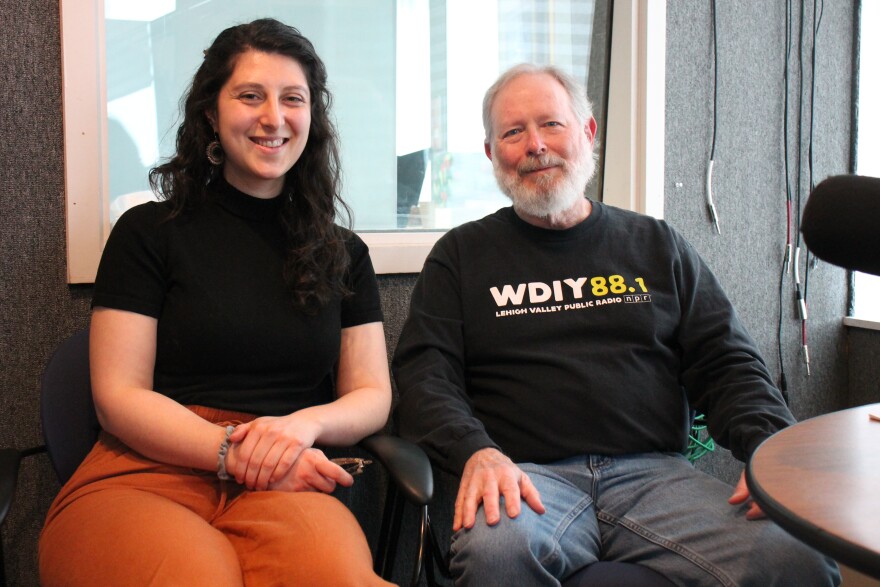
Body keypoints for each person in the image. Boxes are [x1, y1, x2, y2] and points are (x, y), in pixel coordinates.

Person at [392, 63, 840, 587]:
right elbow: (425, 377)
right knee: (496, 556)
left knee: (798, 557)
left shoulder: (656, 246)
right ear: (493, 154)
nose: (535, 144)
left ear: (588, 132)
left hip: (656, 477)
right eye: (513, 132)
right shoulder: (461, 257)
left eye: (552, 124)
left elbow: (727, 362)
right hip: (528, 482)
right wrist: (477, 452)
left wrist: (769, 448)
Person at [39, 19, 394, 586]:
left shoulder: (342, 251)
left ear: (312, 119)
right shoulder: (149, 232)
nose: (273, 117)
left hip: (283, 474)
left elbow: (372, 394)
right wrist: (233, 450)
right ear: (211, 113)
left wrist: (298, 430)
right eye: (250, 96)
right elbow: (117, 395)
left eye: (292, 99)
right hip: (149, 468)